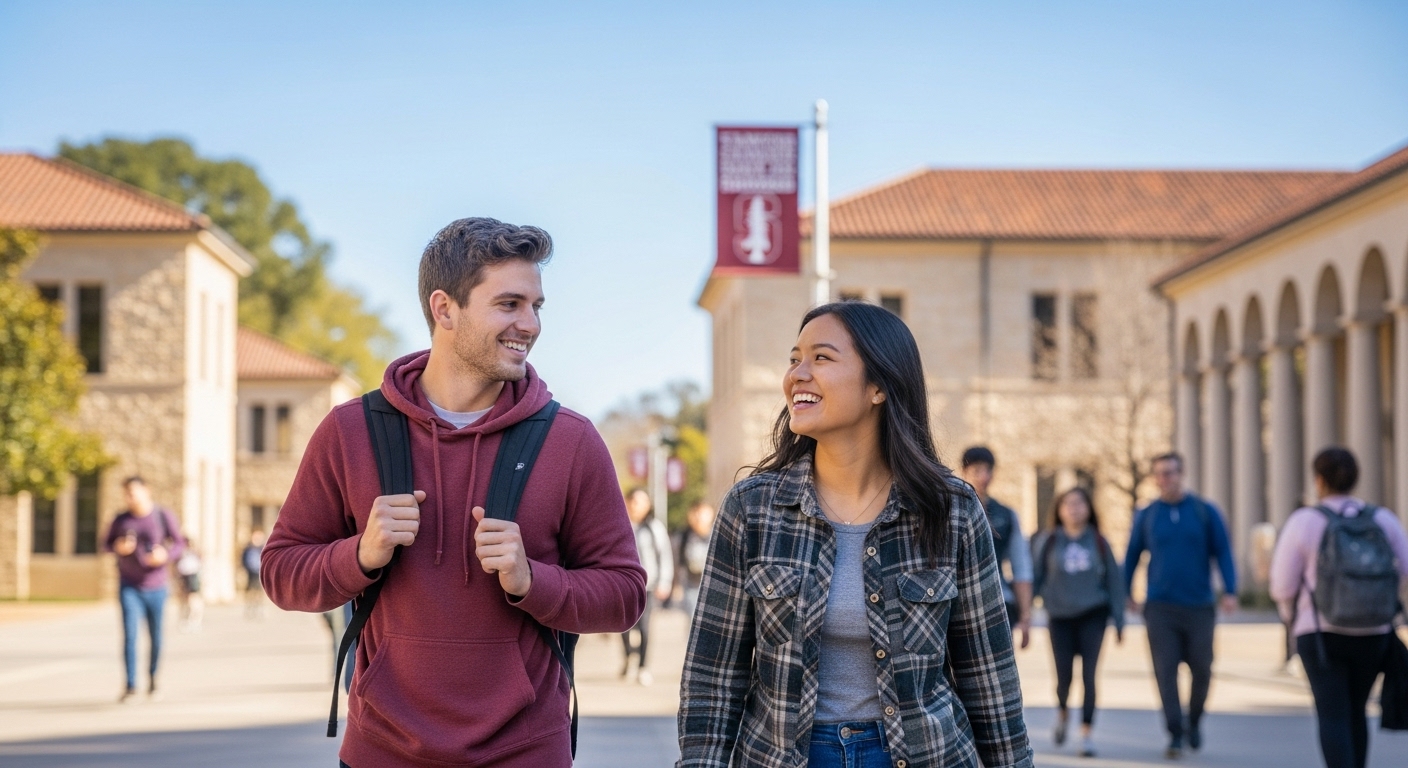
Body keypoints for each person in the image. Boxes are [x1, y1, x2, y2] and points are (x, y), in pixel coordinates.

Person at [261, 217, 647, 768]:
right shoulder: (349, 431)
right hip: (381, 751)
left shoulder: (572, 441)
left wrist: (533, 580)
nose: (530, 324)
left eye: (537, 306)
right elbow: (280, 573)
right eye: (509, 304)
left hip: (527, 753)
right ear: (445, 309)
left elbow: (625, 595)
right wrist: (359, 555)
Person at [678, 301, 1032, 768]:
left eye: (821, 358)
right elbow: (713, 678)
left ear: (879, 386)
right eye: (794, 359)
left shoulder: (951, 511)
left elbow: (988, 678)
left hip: (927, 755)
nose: (797, 374)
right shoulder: (752, 508)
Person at [1269, 447, 1408, 768]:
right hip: (1374, 632)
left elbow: (1282, 585)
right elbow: (1403, 570)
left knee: (1332, 714)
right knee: (1357, 710)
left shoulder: (1305, 521)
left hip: (1319, 632)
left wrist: (1291, 618)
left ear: (1319, 481)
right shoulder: (1382, 519)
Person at [1123, 452, 1237, 759]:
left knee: (1202, 669)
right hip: (1160, 607)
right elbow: (1133, 554)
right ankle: (1175, 733)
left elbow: (1223, 552)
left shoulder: (1204, 511)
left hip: (1199, 606)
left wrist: (1230, 590)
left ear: (1181, 474)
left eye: (1170, 473)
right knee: (1165, 672)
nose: (1165, 479)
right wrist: (1126, 592)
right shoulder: (1147, 515)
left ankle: (1194, 721)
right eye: (1159, 474)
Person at [1031, 487, 1125, 758]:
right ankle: (1062, 712)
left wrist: (1119, 621)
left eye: (1079, 503)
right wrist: (1025, 615)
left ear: (1088, 508)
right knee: (1064, 678)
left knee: (1089, 677)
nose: (1074, 508)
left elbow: (1114, 582)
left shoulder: (1098, 541)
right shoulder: (1049, 541)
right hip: (1059, 617)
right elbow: (1036, 577)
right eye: (1068, 504)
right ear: (1059, 510)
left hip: (1093, 615)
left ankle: (1086, 734)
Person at [102, 476, 185, 703]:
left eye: (133, 492)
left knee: (156, 636)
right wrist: (118, 546)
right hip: (129, 584)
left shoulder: (161, 515)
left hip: (157, 586)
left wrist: (165, 556)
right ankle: (130, 685)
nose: (130, 497)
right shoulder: (121, 519)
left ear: (146, 491)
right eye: (126, 494)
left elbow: (179, 543)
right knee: (130, 635)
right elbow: (105, 544)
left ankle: (153, 678)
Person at [960, 446, 1033, 650]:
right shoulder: (950, 512)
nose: (984, 477)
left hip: (998, 602)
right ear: (964, 472)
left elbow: (1021, 566)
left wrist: (1026, 617)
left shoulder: (1006, 515)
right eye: (977, 471)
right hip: (959, 604)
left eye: (988, 471)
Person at [621, 488, 673, 686]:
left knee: (644, 627)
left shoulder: (654, 527)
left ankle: (643, 667)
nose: (637, 506)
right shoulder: (619, 523)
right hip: (624, 584)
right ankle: (628, 657)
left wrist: (664, 582)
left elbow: (664, 555)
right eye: (634, 501)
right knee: (623, 626)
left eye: (642, 502)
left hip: (647, 585)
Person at [676, 501, 716, 618]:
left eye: (703, 513)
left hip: (714, 585)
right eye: (696, 513)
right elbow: (679, 561)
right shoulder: (684, 536)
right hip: (691, 585)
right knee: (693, 621)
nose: (699, 517)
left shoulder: (719, 534)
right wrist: (677, 585)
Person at [175, 536, 204, 632]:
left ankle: (195, 619)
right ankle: (185, 619)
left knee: (193, 598)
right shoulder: (181, 553)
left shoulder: (194, 553)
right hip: (183, 576)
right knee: (183, 599)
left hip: (192, 576)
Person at [242, 529, 265, 619]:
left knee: (259, 591)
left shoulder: (263, 548)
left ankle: (259, 607)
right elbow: (244, 559)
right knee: (250, 591)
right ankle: (249, 607)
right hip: (251, 572)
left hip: (260, 572)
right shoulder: (248, 548)